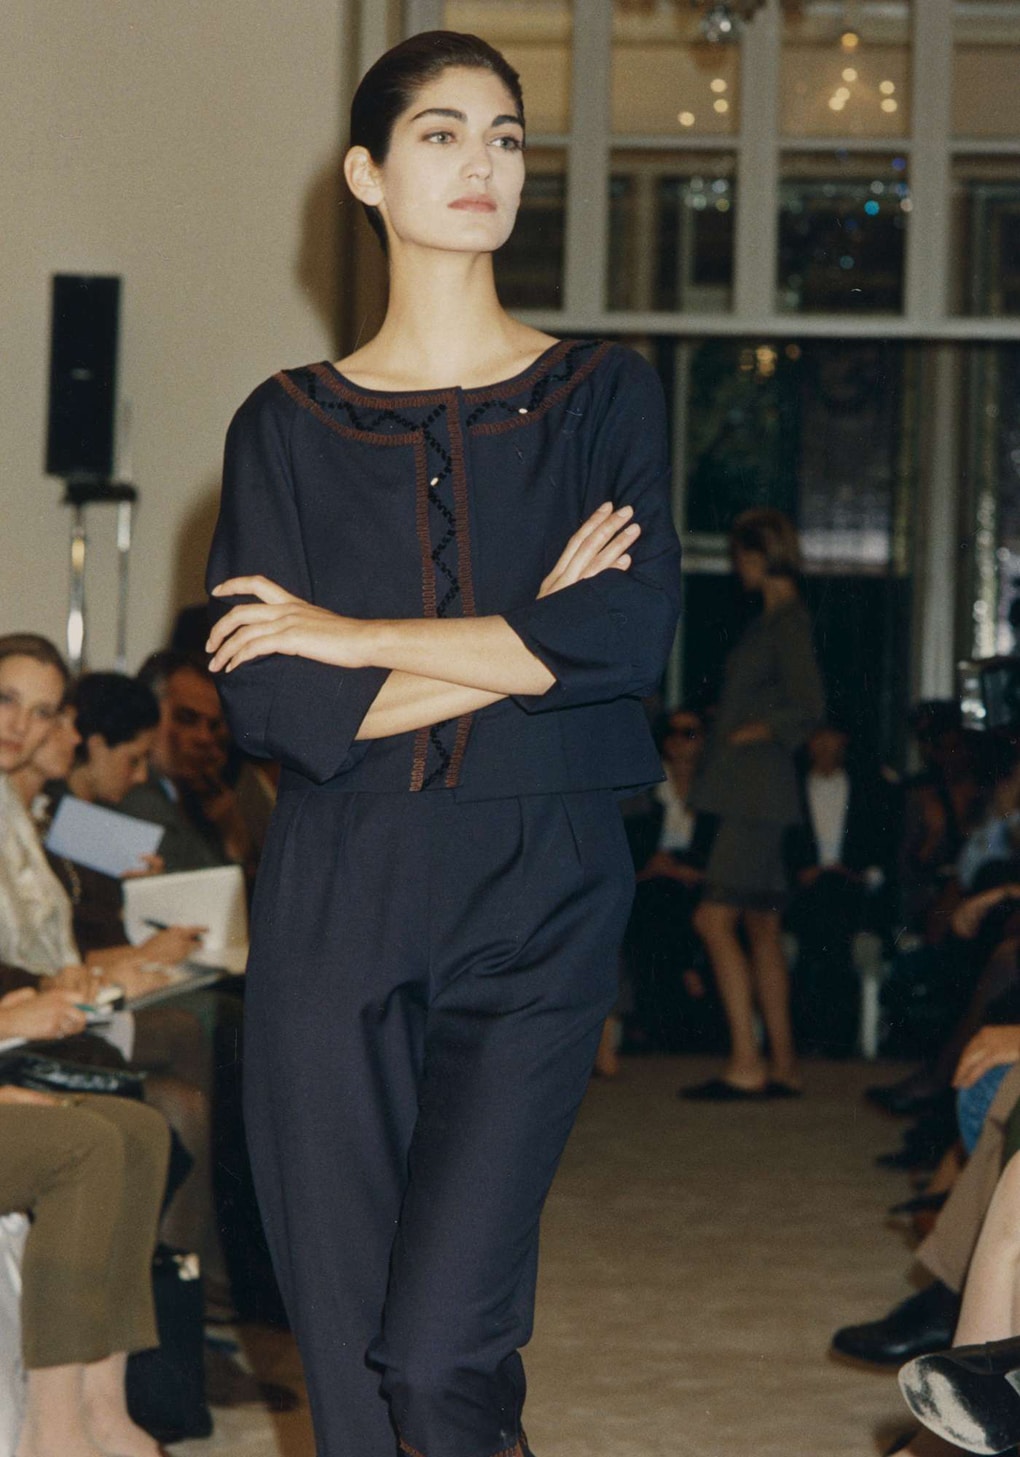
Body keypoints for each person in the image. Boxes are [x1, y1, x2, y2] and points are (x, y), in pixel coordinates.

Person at [204, 29, 681, 1457]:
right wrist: (527, 634)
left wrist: (350, 637)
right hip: (339, 892)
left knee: (436, 1356)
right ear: (366, 173)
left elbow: (624, 641)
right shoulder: (282, 425)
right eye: (443, 133)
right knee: (355, 1386)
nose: (484, 163)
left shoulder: (604, 394)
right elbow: (273, 714)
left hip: (545, 887)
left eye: (506, 137)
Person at [681, 509, 824, 1099]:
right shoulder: (775, 619)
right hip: (758, 791)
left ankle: (746, 1061)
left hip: (754, 792)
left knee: (713, 919)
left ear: (762, 556)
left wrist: (754, 731)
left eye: (741, 556)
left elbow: (809, 704)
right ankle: (783, 1063)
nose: (737, 567)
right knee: (762, 926)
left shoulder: (785, 621)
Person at [119, 651, 253, 874]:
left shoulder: (197, 798)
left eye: (213, 726)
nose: (205, 738)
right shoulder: (138, 799)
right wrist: (233, 844)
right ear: (145, 714)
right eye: (186, 718)